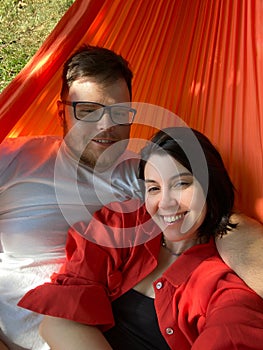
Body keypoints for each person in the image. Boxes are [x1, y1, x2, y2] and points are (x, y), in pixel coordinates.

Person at [0, 45, 262, 349]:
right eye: (88, 112)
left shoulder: (147, 176)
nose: (106, 126)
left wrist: (229, 223)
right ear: (62, 112)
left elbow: (201, 216)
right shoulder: (15, 160)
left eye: (119, 113)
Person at [19, 127, 263, 349]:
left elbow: (232, 332)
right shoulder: (122, 225)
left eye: (182, 184)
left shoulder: (222, 281)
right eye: (154, 188)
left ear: (211, 185)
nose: (166, 203)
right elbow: (58, 322)